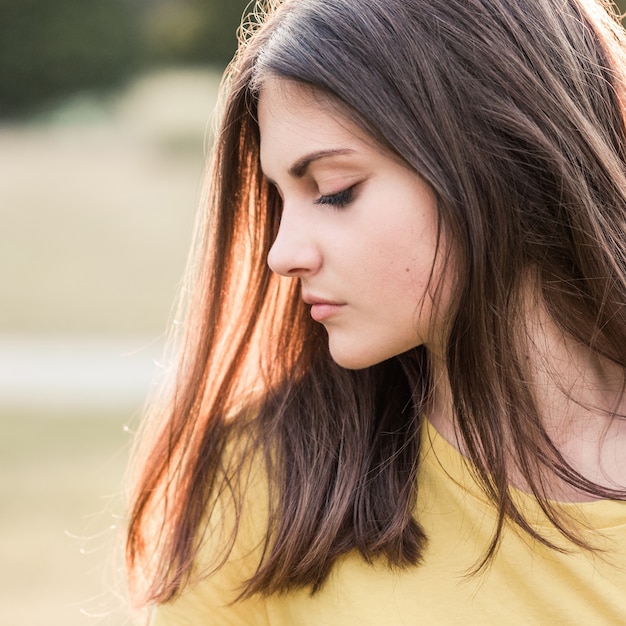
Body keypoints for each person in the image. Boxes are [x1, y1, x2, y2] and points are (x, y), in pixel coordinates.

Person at [126, 0, 626, 623]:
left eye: (334, 191)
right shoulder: (264, 485)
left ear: (506, 158)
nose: (282, 254)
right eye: (280, 198)